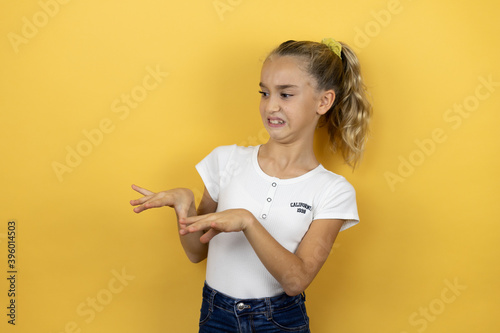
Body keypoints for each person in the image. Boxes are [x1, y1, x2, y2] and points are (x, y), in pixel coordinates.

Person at [130, 38, 371, 332]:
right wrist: (185, 207)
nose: (271, 106)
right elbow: (196, 252)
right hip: (215, 316)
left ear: (323, 101)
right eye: (264, 93)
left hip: (279, 321)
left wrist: (247, 221)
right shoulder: (225, 160)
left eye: (285, 94)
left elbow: (296, 280)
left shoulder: (333, 190)